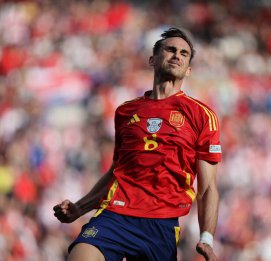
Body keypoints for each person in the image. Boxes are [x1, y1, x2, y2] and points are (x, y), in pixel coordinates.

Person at [53, 27, 222, 261]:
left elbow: (208, 187)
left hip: (161, 225)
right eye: (170, 49)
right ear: (152, 59)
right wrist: (80, 207)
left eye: (184, 53)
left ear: (189, 69)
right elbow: (117, 171)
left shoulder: (202, 115)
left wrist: (207, 238)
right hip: (116, 215)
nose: (177, 55)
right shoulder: (126, 111)